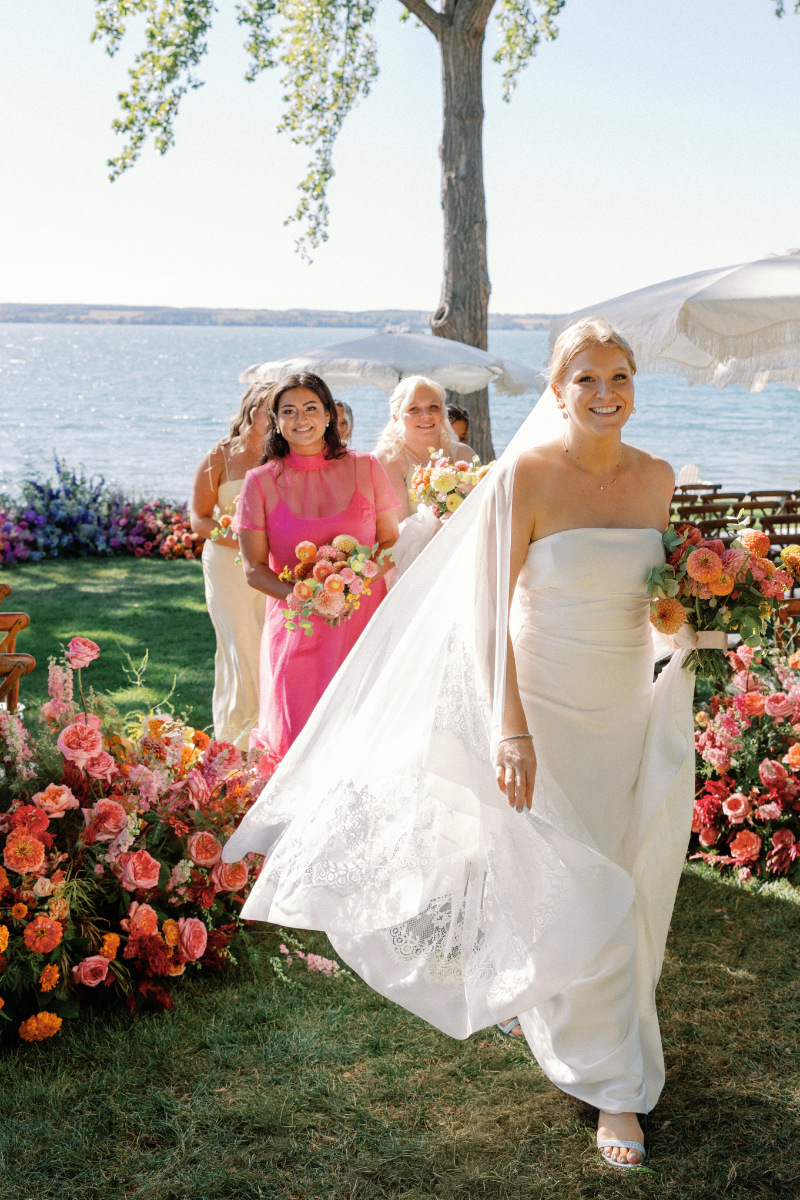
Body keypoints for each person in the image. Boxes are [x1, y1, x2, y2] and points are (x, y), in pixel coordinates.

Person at [223, 319, 716, 1172]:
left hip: (626, 707)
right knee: (585, 879)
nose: (606, 393)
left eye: (621, 376)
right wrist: (509, 725)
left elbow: (654, 596)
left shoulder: (658, 478)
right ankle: (617, 1087)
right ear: (558, 392)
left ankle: (590, 1033)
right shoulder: (525, 476)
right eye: (587, 379)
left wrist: (702, 624)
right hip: (546, 710)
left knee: (625, 878)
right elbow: (487, 616)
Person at [234, 372, 399, 762]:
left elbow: (390, 542)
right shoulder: (259, 482)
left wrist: (352, 584)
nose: (300, 418)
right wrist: (307, 598)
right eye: (288, 411)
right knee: (299, 740)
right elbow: (254, 569)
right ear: (276, 421)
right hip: (298, 626)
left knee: (362, 736)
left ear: (329, 415)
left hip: (363, 625)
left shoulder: (367, 467)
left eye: (310, 408)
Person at [190, 383, 271, 750]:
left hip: (273, 566)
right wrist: (241, 536)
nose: (271, 418)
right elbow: (199, 518)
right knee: (240, 645)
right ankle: (236, 740)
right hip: (227, 564)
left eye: (279, 410)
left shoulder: (284, 457)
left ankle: (271, 732)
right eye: (264, 409)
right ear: (249, 409)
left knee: (270, 643)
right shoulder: (219, 457)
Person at [375, 375, 475, 521]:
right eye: (414, 409)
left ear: (443, 413)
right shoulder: (386, 461)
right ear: (396, 416)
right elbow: (397, 531)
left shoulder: (465, 454)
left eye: (434, 407)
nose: (426, 415)